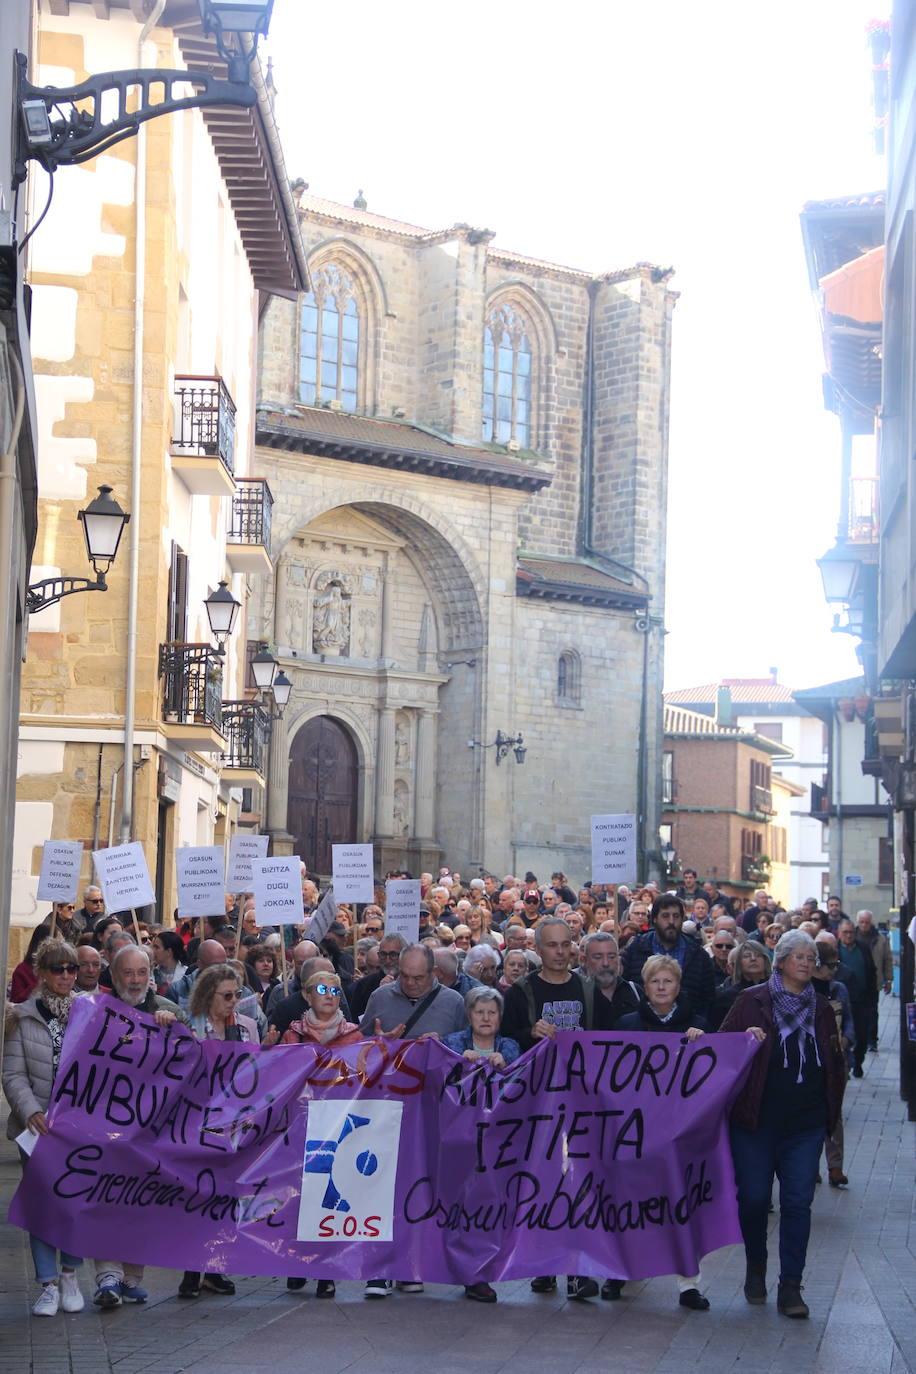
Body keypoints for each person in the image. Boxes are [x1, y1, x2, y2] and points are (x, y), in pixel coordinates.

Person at [719, 930, 846, 1319]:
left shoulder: (822, 1007)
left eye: (812, 958)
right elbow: (722, 1048)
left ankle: (791, 1284)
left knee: (797, 1202)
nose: (808, 963)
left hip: (804, 1124)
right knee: (754, 1198)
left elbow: (834, 1059)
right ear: (781, 961)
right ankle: (756, 1265)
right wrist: (744, 1039)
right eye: (800, 956)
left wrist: (830, 1109)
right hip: (755, 1120)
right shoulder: (751, 1001)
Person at [359, 944, 466, 1300]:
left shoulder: (453, 1002)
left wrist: (446, 1044)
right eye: (405, 976)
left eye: (419, 978)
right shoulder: (379, 997)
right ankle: (379, 1268)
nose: (411, 983)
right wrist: (378, 1041)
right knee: (379, 1185)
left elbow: (466, 1052)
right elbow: (357, 1048)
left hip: (432, 1109)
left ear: (435, 972)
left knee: (419, 1187)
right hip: (386, 1108)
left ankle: (410, 1264)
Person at [500, 917, 597, 1302]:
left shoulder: (587, 988)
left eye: (565, 945)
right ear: (537, 949)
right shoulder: (521, 991)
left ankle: (576, 1267)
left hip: (580, 1100)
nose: (559, 952)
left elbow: (604, 1039)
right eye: (552, 945)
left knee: (577, 1182)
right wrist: (529, 1035)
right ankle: (543, 1266)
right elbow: (508, 1041)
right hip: (536, 1102)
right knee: (541, 1183)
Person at [91, 945, 186, 1308]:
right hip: (105, 1125)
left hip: (150, 1130)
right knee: (107, 1200)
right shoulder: (96, 1014)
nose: (134, 980)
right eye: (127, 973)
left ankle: (132, 1278)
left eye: (141, 973)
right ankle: (108, 1277)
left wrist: (173, 1030)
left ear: (151, 976)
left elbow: (190, 1063)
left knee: (141, 1202)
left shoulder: (169, 1012)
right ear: (114, 977)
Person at [616, 953, 710, 1311]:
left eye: (667, 981)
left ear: (678, 987)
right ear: (645, 986)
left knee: (680, 1206)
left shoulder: (697, 1026)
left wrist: (703, 1042)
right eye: (655, 981)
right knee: (630, 1204)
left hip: (678, 1134)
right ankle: (622, 1272)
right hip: (635, 1131)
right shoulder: (626, 1025)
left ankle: (688, 1284)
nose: (661, 987)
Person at [2, 938, 87, 1316]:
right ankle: (48, 1284)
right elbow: (12, 1074)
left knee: (75, 1202)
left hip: (78, 1127)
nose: (66, 976)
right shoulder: (21, 1015)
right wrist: (30, 1111)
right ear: (42, 973)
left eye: (72, 969)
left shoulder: (92, 1012)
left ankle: (70, 1274)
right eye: (58, 969)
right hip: (36, 1127)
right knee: (42, 1204)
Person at [178, 964, 257, 1302]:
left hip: (234, 1125)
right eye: (227, 996)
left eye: (237, 995)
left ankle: (214, 1266)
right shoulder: (191, 1027)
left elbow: (256, 1073)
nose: (233, 1002)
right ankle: (191, 1266)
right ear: (209, 995)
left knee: (225, 1197)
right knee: (197, 1196)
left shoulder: (247, 1027)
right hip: (197, 1123)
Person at [441, 986, 521, 1305]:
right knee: (459, 1203)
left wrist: (508, 1061)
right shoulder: (455, 1043)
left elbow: (522, 1071)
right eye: (480, 1012)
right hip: (460, 1141)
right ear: (469, 1016)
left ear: (500, 1017)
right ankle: (461, 1268)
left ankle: (481, 1274)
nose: (486, 1018)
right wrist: (460, 1062)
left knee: (490, 1205)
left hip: (500, 1142)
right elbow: (442, 1076)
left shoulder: (509, 1046)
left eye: (492, 1012)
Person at [622, 894, 716, 1019]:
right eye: (665, 916)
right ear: (655, 918)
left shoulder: (698, 954)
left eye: (676, 916)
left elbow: (708, 998)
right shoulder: (636, 949)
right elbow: (625, 990)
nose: (671, 922)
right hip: (643, 1028)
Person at [813, 932, 854, 1188]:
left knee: (834, 1113)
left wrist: (848, 1040)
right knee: (813, 1113)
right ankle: (811, 1164)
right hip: (814, 1061)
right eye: (831, 965)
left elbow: (849, 1020)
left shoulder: (838, 989)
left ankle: (835, 1166)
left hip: (837, 1059)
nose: (834, 970)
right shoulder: (805, 990)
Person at [836, 919, 877, 1077]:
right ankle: (845, 1063)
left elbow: (871, 971)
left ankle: (858, 1061)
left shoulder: (863, 948)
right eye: (845, 932)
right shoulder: (837, 949)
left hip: (862, 999)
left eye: (851, 932)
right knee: (844, 1033)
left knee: (861, 1034)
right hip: (843, 999)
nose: (848, 935)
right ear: (839, 933)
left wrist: (873, 995)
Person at [580, 931, 638, 1030]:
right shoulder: (577, 994)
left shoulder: (635, 991)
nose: (606, 963)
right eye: (598, 957)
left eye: (611, 956)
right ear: (585, 961)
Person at [708, 941, 771, 1031]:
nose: (753, 958)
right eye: (746, 956)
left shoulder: (777, 991)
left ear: (765, 960)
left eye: (758, 955)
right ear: (738, 963)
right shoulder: (725, 997)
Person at [854, 909, 893, 1050]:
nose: (864, 925)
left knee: (872, 1011)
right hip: (856, 981)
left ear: (872, 922)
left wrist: (889, 980)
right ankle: (858, 1038)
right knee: (856, 1010)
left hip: (874, 980)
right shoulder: (852, 936)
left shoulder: (880, 939)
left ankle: (872, 1040)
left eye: (867, 922)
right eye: (861, 922)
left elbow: (887, 959)